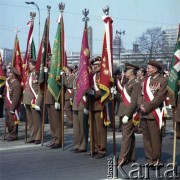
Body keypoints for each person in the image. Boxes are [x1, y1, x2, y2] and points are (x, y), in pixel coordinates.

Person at [138, 60, 167, 166]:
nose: (147, 69)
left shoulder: (163, 80)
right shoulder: (146, 80)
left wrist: (147, 107)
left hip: (154, 113)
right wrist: (140, 105)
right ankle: (150, 159)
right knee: (146, 139)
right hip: (144, 113)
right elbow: (140, 95)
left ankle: (156, 160)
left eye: (149, 68)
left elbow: (159, 97)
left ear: (155, 69)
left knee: (155, 139)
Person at [117, 63, 141, 166]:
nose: (125, 72)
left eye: (126, 71)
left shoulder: (136, 83)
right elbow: (123, 98)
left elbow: (134, 101)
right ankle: (131, 156)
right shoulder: (128, 83)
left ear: (131, 72)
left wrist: (127, 115)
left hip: (129, 113)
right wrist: (116, 94)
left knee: (126, 136)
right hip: (124, 111)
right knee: (129, 135)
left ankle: (122, 158)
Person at [89, 56, 107, 159]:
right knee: (94, 129)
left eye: (97, 65)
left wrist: (93, 93)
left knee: (100, 130)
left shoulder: (104, 76)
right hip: (92, 105)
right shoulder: (93, 76)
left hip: (100, 105)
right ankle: (94, 148)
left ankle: (102, 149)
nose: (95, 66)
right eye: (94, 65)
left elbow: (104, 91)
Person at [23, 59, 42, 145]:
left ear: (34, 65)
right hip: (27, 100)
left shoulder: (37, 75)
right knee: (30, 120)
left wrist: (38, 101)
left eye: (30, 65)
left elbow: (39, 89)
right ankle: (32, 136)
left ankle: (38, 137)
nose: (29, 66)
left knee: (36, 120)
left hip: (34, 100)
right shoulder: (30, 74)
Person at [45, 59, 62, 149]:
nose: (48, 63)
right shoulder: (48, 73)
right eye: (47, 61)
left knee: (56, 122)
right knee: (52, 122)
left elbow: (59, 87)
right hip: (48, 100)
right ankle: (53, 139)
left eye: (50, 61)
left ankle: (58, 140)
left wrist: (57, 100)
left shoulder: (56, 73)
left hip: (54, 100)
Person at [4, 66, 21, 141]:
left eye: (9, 72)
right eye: (7, 72)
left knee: (12, 121)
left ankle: (14, 134)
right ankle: (10, 133)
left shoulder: (16, 84)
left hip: (12, 106)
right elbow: (5, 93)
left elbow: (16, 97)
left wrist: (12, 108)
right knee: (8, 121)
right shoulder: (9, 83)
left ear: (13, 74)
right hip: (7, 105)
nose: (7, 74)